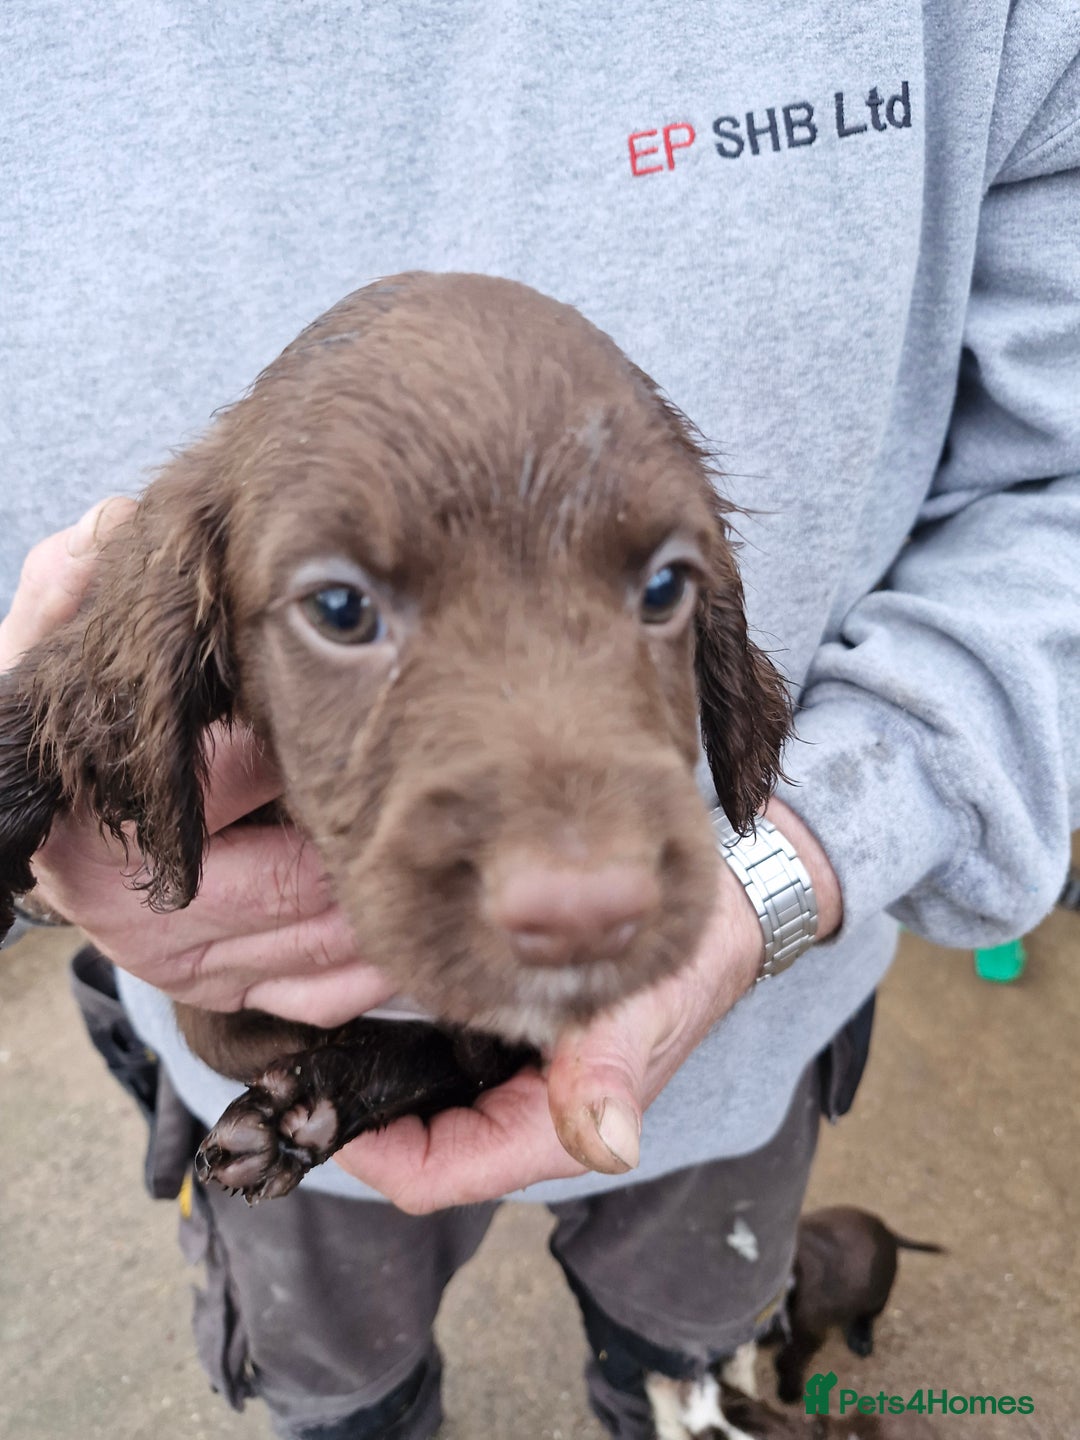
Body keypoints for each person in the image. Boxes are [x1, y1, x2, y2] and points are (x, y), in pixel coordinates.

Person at [3, 5, 1078, 1437]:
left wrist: (791, 865)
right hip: (265, 1077)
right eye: (343, 607)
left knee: (686, 1355)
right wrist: (51, 808)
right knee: (336, 1385)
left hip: (736, 1054)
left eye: (657, 586)